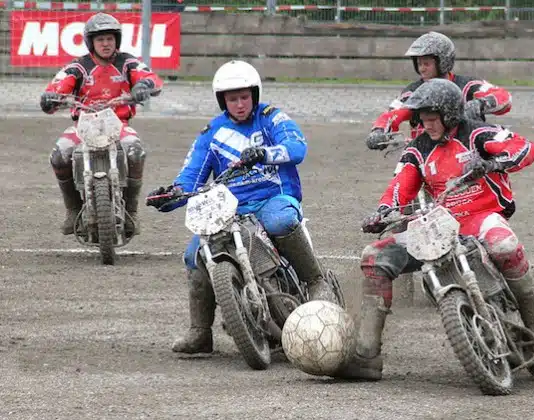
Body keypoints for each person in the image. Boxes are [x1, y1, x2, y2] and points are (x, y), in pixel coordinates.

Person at [335, 78, 534, 380]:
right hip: (440, 224)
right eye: (422, 120)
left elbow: (525, 148)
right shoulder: (417, 150)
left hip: (481, 216)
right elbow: (400, 187)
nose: (426, 126)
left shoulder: (477, 133)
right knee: (374, 257)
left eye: (432, 119)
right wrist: (383, 211)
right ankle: (366, 356)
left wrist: (494, 164)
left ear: (450, 113)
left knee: (503, 245)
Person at [146, 60, 339, 354]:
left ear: (255, 95)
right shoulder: (211, 132)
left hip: (273, 197)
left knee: (280, 222)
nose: (239, 104)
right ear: (222, 100)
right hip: (229, 208)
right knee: (194, 254)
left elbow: (297, 148)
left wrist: (264, 153)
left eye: (244, 97)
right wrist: (170, 195)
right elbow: (191, 176)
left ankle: (316, 281)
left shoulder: (272, 118)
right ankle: (200, 332)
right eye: (232, 98)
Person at [41, 12, 163, 236]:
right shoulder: (78, 67)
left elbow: (152, 78)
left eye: (110, 38)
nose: (106, 44)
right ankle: (73, 209)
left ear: (117, 40)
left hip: (118, 123)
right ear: (91, 42)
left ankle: (131, 211)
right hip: (83, 124)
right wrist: (51, 96)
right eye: (100, 39)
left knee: (136, 152)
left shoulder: (127, 62)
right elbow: (58, 85)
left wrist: (143, 85)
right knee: (59, 155)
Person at [365, 31, 512, 151]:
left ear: (443, 61)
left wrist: (481, 104)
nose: (422, 68)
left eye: (426, 63)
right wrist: (379, 131)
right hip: (427, 155)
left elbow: (504, 98)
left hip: (467, 154)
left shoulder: (467, 85)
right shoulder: (414, 92)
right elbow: (392, 114)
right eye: (419, 63)